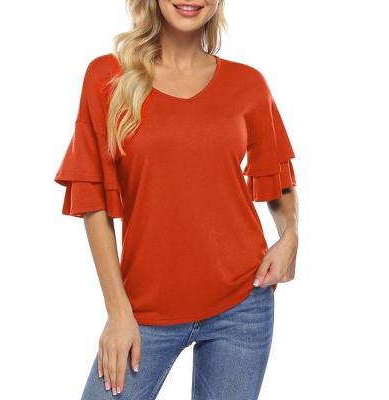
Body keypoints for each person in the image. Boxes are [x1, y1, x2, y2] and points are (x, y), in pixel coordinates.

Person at [54, 0, 299, 398]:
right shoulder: (108, 77)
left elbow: (278, 173)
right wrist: (118, 312)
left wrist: (290, 236)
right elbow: (93, 199)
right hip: (143, 311)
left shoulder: (249, 83)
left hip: (242, 305)